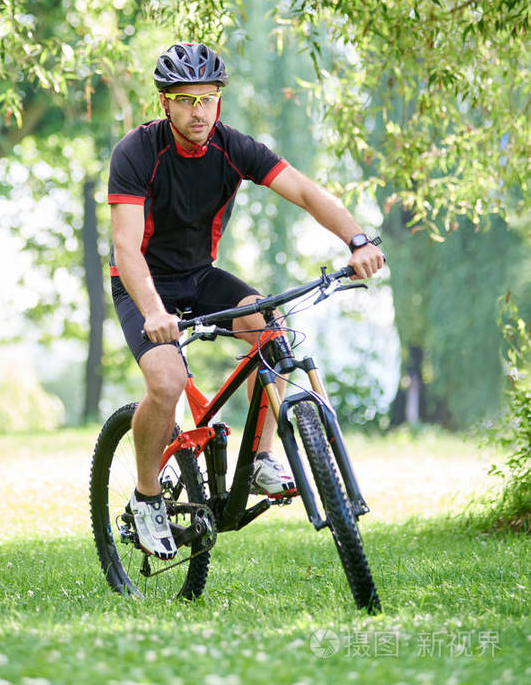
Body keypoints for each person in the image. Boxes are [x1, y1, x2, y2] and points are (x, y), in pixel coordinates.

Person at [108, 43, 384, 561]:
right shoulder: (137, 152)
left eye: (208, 99)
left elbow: (303, 191)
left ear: (219, 101)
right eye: (186, 100)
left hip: (200, 276)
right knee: (166, 383)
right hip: (141, 283)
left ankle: (260, 458)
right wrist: (152, 312)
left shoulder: (233, 148)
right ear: (164, 102)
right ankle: (146, 499)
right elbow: (126, 248)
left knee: (271, 327)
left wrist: (358, 241)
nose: (198, 112)